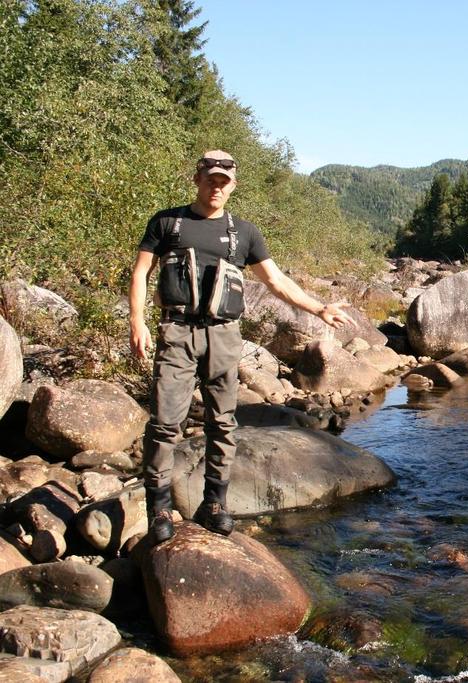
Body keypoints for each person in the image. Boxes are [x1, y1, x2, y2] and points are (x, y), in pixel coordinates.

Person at [129, 150, 354, 544]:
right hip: (177, 333)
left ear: (232, 186)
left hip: (224, 336)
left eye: (224, 182)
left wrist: (320, 308)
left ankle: (214, 503)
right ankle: (159, 506)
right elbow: (141, 272)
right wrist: (136, 321)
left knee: (223, 422)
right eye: (210, 179)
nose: (216, 187)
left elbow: (277, 282)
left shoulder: (243, 233)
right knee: (165, 423)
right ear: (197, 179)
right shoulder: (167, 222)